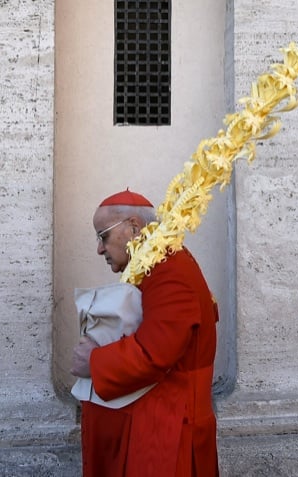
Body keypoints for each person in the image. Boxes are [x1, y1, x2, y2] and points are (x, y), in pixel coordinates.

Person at [71, 189, 219, 476]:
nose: (99, 249)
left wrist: (93, 361)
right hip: (157, 425)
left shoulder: (170, 270)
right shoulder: (154, 264)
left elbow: (154, 354)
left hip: (167, 432)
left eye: (103, 236)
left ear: (134, 228)